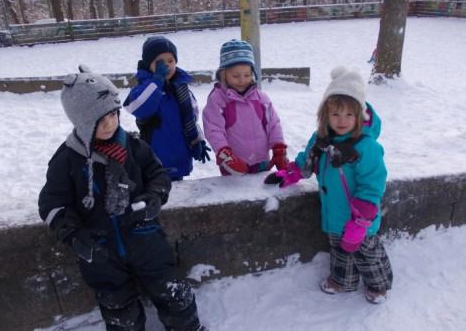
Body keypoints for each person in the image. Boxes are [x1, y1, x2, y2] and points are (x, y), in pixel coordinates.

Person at [38, 66, 206, 331]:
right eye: (99, 120)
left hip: (146, 240)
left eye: (113, 115)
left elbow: (157, 175)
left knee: (173, 293)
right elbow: (52, 204)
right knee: (118, 309)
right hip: (101, 252)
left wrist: (153, 198)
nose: (110, 124)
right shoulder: (67, 160)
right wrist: (74, 235)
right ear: (82, 122)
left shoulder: (134, 146)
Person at [265, 66, 393, 304]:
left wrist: (360, 222)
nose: (341, 121)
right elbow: (308, 159)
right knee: (340, 250)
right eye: (335, 115)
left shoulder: (367, 148)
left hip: (359, 219)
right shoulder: (322, 139)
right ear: (325, 115)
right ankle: (343, 281)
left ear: (359, 116)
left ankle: (379, 285)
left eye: (348, 115)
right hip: (334, 213)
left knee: (367, 254)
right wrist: (291, 173)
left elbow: (372, 187)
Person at [123, 36, 210, 181]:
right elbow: (136, 107)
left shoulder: (181, 89)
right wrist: (157, 80)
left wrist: (197, 140)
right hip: (156, 161)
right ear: (148, 64)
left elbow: (190, 118)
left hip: (179, 158)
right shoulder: (144, 88)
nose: (167, 66)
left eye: (170, 61)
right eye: (160, 62)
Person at [202, 39, 288, 176]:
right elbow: (214, 129)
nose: (242, 80)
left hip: (261, 161)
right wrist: (225, 154)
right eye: (236, 76)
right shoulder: (218, 100)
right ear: (224, 74)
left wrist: (278, 147)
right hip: (234, 165)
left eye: (247, 75)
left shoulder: (260, 98)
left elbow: (273, 124)